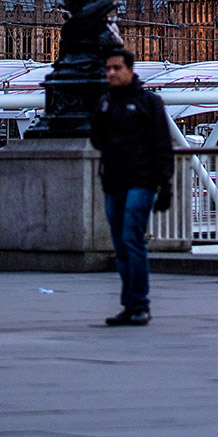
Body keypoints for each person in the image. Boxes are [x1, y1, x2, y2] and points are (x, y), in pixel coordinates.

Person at [90, 47, 174, 327]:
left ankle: (139, 303)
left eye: (116, 68)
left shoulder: (149, 103)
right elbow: (97, 139)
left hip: (142, 180)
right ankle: (130, 303)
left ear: (130, 70)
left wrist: (166, 184)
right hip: (114, 180)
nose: (111, 73)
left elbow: (163, 145)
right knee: (120, 244)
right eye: (108, 68)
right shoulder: (104, 103)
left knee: (130, 237)